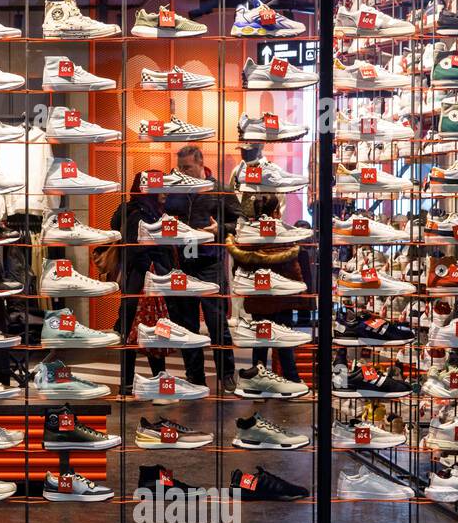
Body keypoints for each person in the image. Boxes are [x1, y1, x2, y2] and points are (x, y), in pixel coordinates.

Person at [163, 145, 241, 391]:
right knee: (186, 325)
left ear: (200, 163)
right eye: (180, 168)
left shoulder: (220, 190)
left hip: (210, 263)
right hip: (182, 264)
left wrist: (220, 230)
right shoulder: (175, 191)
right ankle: (194, 376)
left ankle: (226, 373)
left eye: (187, 167)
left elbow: (240, 223)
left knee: (217, 321)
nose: (182, 172)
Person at [227, 195, 307, 382]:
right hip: (281, 298)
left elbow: (238, 269)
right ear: (275, 212)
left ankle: (258, 380)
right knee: (284, 342)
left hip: (257, 299)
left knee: (260, 340)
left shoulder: (248, 235)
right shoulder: (283, 234)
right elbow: (293, 269)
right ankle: (292, 380)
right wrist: (301, 295)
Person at [103, 184, 170, 388]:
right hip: (142, 280)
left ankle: (130, 382)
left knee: (132, 329)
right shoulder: (140, 215)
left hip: (135, 279)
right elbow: (136, 248)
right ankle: (156, 379)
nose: (165, 192)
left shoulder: (136, 210)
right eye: (160, 188)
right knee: (147, 328)